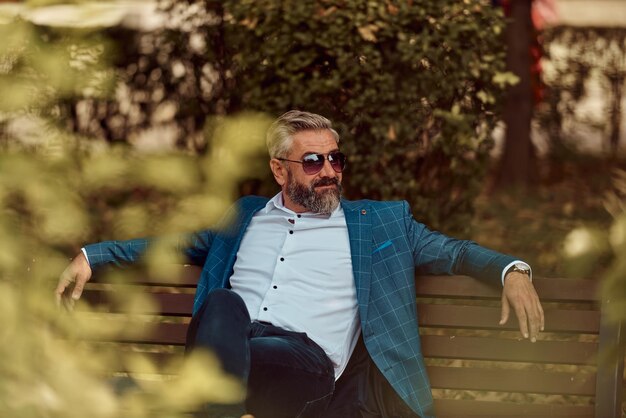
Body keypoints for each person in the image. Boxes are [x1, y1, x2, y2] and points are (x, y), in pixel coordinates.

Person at [56, 110, 544, 418]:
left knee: (195, 361)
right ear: (278, 169)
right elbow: (175, 243)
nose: (329, 171)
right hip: (230, 348)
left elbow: (455, 251)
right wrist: (91, 256)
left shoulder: (380, 224)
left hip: (303, 370)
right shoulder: (246, 216)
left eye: (335, 159)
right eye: (314, 162)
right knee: (225, 305)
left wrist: (513, 270)